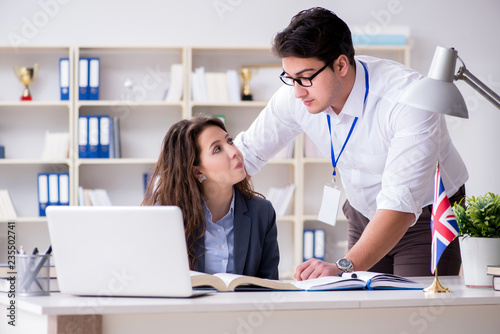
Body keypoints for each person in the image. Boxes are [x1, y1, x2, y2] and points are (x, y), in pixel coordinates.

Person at [234, 7, 468, 279]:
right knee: (362, 308)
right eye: (290, 78)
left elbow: (400, 204)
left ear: (341, 65)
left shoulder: (407, 99)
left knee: (409, 310)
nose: (297, 92)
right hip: (362, 210)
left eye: (305, 77)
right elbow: (246, 154)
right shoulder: (296, 94)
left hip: (428, 216)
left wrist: (342, 265)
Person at [142, 116, 280, 279]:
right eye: (217, 149)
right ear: (197, 171)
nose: (235, 152)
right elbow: (157, 282)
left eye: (230, 141)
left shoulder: (262, 212)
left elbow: (269, 287)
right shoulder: (166, 216)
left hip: (245, 305)